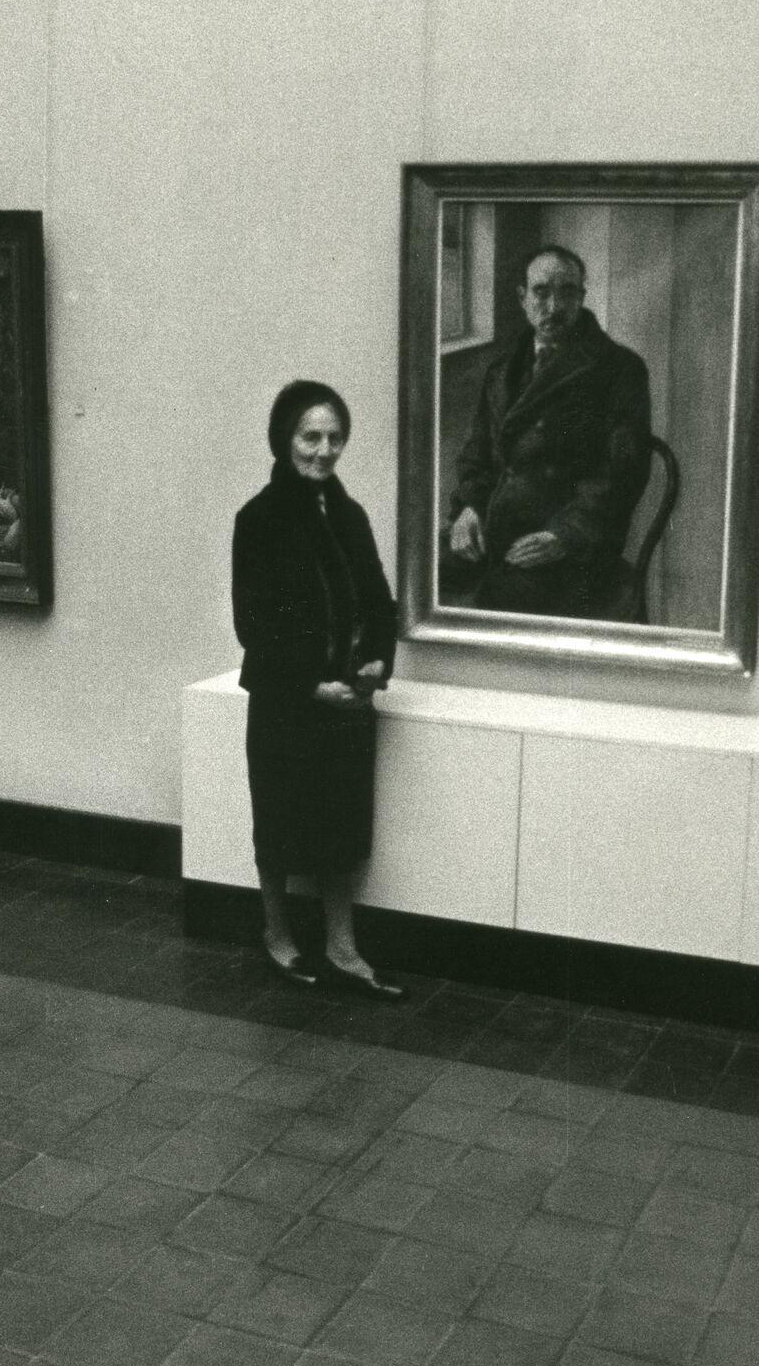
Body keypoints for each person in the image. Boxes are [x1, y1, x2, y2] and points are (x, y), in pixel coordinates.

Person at [232, 379, 404, 1000]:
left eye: (335, 437)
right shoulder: (258, 519)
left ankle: (342, 946)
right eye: (311, 437)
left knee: (341, 828)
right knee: (278, 823)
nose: (324, 450)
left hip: (347, 703)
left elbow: (379, 601)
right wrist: (311, 685)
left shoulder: (349, 515)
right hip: (286, 702)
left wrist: (376, 663)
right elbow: (253, 625)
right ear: (284, 439)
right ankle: (277, 935)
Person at [445, 245, 652, 617]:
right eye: (541, 292)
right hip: (496, 524)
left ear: (582, 297)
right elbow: (478, 451)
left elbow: (623, 474)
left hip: (573, 544)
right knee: (428, 578)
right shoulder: (502, 370)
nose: (554, 307)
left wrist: (565, 535)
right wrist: (470, 506)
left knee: (501, 607)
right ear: (522, 297)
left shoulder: (620, 369)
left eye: (567, 292)